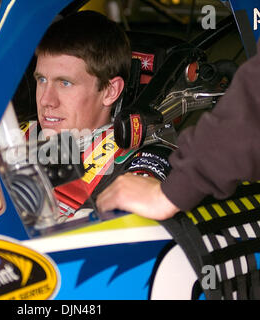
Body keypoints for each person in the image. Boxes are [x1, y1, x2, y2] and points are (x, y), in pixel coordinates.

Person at [22, 10, 173, 218]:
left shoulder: (137, 158)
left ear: (110, 92)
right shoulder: (17, 137)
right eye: (42, 80)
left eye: (65, 83)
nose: (46, 100)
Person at [96, 40, 260, 220]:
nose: (57, 101)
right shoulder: (66, 147)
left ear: (111, 90)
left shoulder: (148, 154)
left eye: (66, 84)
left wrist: (174, 191)